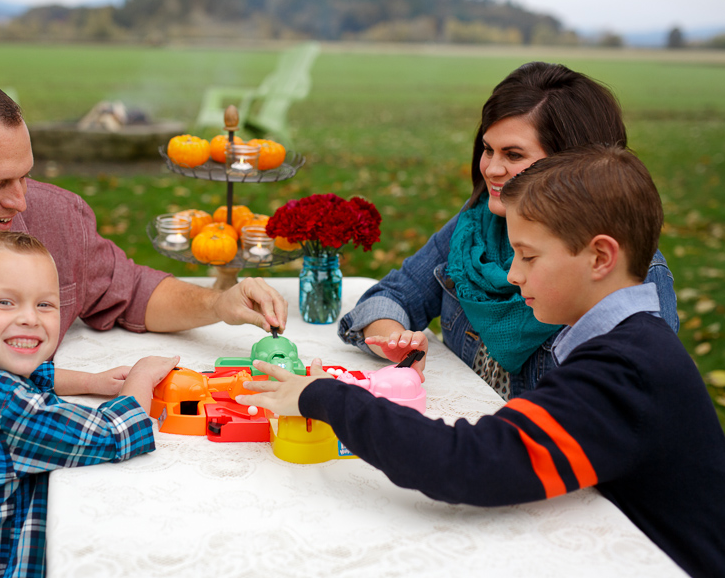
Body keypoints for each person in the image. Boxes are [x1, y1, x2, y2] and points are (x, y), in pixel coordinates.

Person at [0, 74, 287, 575]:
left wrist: (218, 303)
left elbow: (131, 289)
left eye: (24, 174)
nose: (20, 201)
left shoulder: (56, 215)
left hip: (9, 468)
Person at [239, 146, 725, 578]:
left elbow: (468, 464)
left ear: (600, 257)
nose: (514, 274)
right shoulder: (630, 342)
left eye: (528, 257)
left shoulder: (625, 372)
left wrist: (321, 396)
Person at [338, 61, 679, 401]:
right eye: (488, 149)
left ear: (573, 163)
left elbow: (625, 412)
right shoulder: (475, 228)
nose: (492, 168)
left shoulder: (622, 275)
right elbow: (393, 295)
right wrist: (397, 342)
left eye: (513, 154)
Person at [0, 231, 178, 576]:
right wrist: (142, 377)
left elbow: (36, 375)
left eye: (44, 304)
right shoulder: (1, 404)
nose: (29, 317)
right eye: (5, 302)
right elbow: (114, 432)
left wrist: (91, 381)